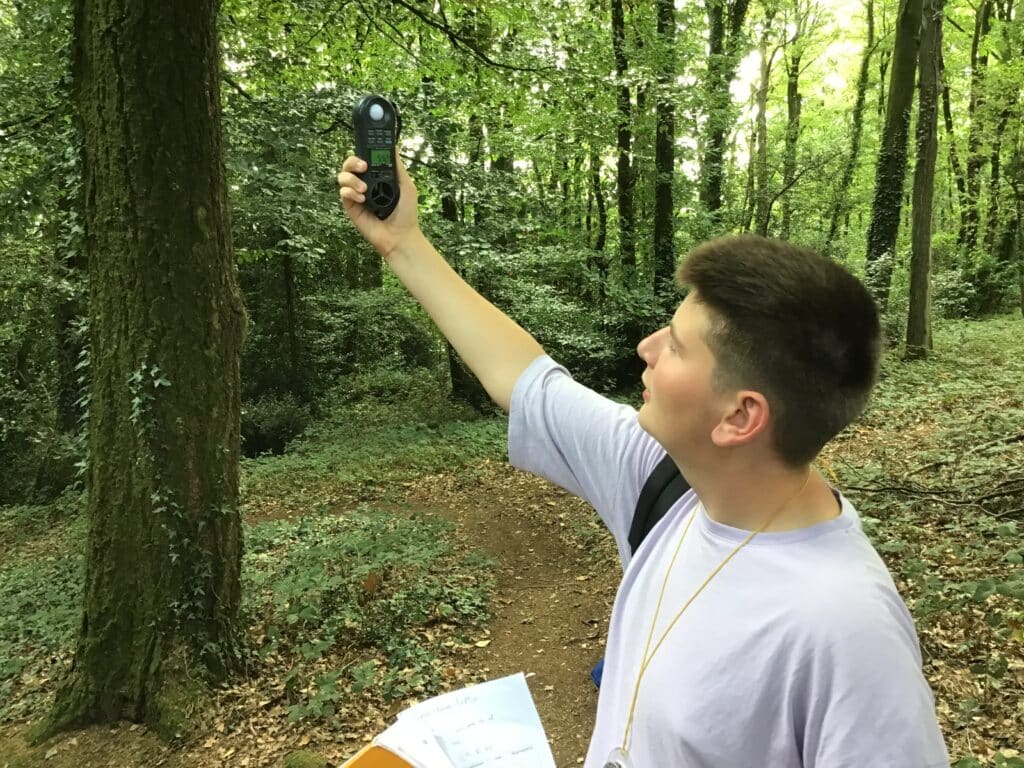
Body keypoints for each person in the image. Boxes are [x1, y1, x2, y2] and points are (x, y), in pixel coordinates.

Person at [337, 156, 950, 767]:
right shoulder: (666, 484)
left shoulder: (847, 631)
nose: (646, 347)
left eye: (677, 346)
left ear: (739, 417)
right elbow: (525, 379)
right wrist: (404, 243)